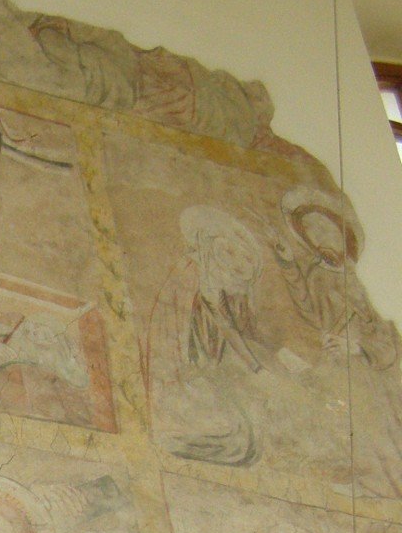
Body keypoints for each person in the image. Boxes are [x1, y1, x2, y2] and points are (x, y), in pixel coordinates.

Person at [274, 185, 402, 498]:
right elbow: (310, 309)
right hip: (340, 361)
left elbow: (385, 331)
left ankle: (386, 483)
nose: (319, 236)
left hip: (369, 365)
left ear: (342, 232)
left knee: (378, 422)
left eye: (324, 228)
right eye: (310, 231)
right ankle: (369, 479)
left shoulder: (362, 277)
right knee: (352, 423)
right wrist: (289, 266)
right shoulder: (318, 272)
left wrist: (358, 347)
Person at [145, 204, 270, 466]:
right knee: (233, 431)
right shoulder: (189, 275)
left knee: (245, 436)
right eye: (228, 251)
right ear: (210, 245)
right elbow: (173, 340)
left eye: (240, 258)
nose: (234, 262)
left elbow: (228, 330)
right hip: (178, 376)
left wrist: (256, 368)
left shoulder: (215, 288)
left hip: (201, 375)